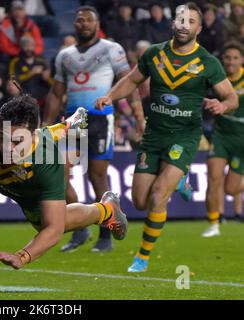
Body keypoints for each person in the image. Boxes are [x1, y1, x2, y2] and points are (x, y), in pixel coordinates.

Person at [95, 2, 238, 272]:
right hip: (154, 135)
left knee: (159, 194)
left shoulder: (208, 62)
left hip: (184, 136)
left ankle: (143, 256)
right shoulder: (154, 54)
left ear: (199, 27)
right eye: (181, 19)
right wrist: (109, 96)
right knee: (139, 201)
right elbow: (132, 81)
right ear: (174, 23)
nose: (184, 25)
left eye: (191, 21)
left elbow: (230, 97)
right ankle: (180, 182)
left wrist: (222, 105)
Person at [0, 94, 128, 269]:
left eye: (17, 141)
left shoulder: (49, 164)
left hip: (30, 186)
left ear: (31, 134)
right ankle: (67, 125)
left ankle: (106, 210)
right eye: (3, 137)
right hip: (15, 168)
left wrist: (22, 256)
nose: (8, 147)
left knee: (46, 224)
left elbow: (53, 230)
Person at [43, 6, 144, 253]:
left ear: (97, 24)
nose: (83, 23)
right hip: (72, 121)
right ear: (74, 25)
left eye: (89, 20)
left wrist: (139, 117)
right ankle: (80, 227)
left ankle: (105, 234)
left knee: (97, 176)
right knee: (60, 174)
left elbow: (129, 82)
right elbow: (56, 93)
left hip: (100, 119)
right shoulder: (64, 55)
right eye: (79, 20)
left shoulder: (112, 49)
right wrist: (45, 124)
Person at [202, 42, 244, 237]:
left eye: (235, 58)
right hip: (221, 135)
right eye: (227, 57)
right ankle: (213, 223)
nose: (231, 61)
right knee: (213, 175)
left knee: (231, 189)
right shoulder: (216, 79)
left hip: (241, 139)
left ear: (242, 60)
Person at [8, 35, 50, 108]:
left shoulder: (42, 62)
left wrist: (46, 78)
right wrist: (30, 73)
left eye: (31, 46)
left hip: (42, 98)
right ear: (21, 47)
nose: (29, 48)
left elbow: (50, 81)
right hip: (23, 98)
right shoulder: (15, 62)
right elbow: (13, 80)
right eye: (26, 46)